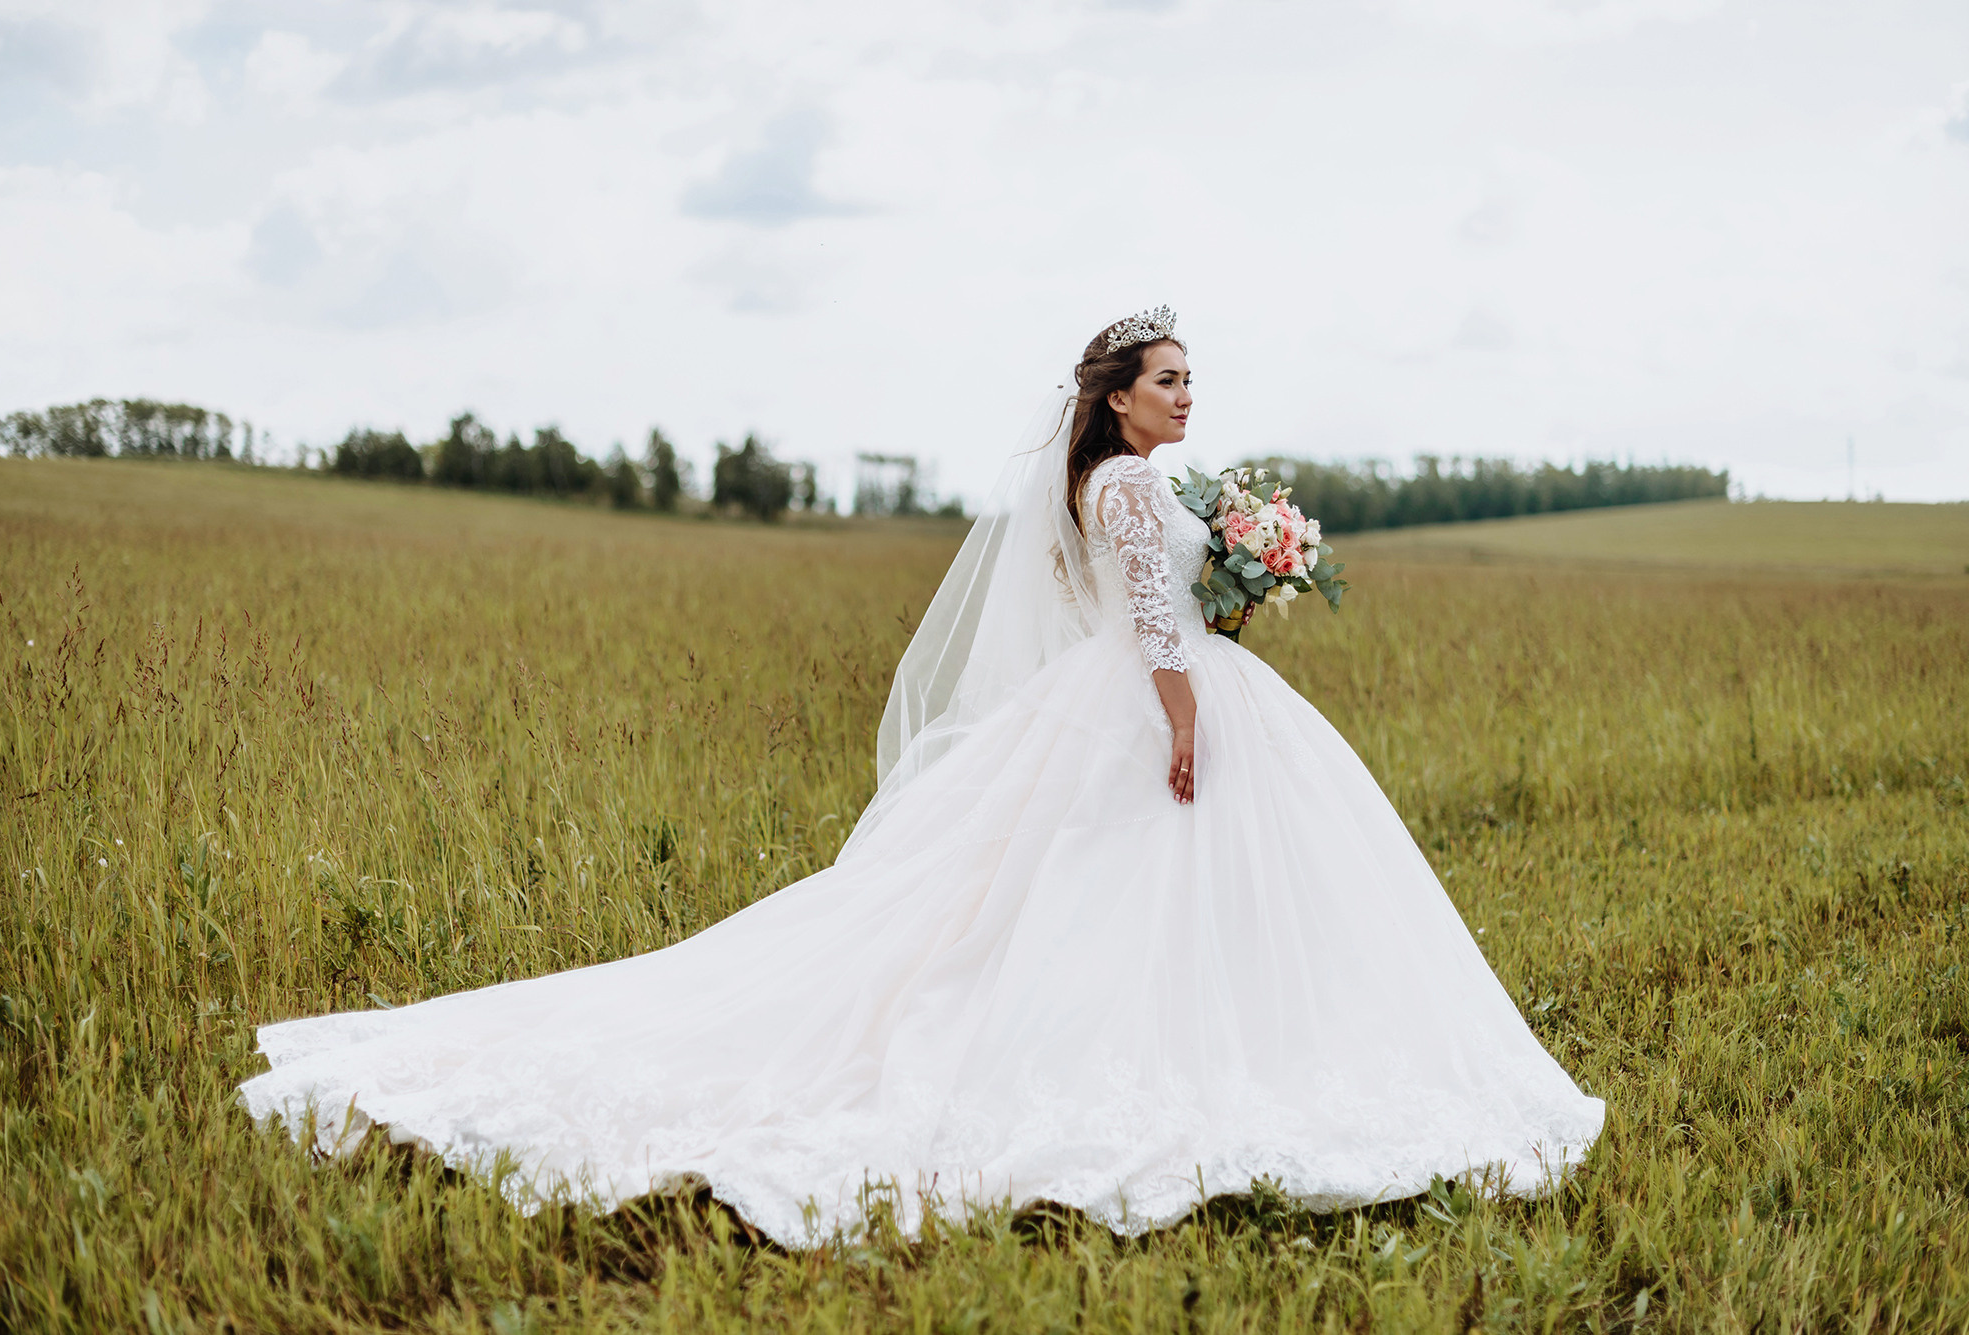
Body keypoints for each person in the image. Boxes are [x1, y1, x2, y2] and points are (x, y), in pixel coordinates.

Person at [240, 308, 1604, 1247]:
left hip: (1139, 695)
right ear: (1117, 398)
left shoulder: (1132, 485)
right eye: (1169, 379)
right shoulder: (1129, 489)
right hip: (1156, 703)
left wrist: (1244, 574)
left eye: (1193, 376)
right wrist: (1187, 718)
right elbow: (1146, 623)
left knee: (1104, 901)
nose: (1189, 393)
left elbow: (1166, 599)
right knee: (1131, 895)